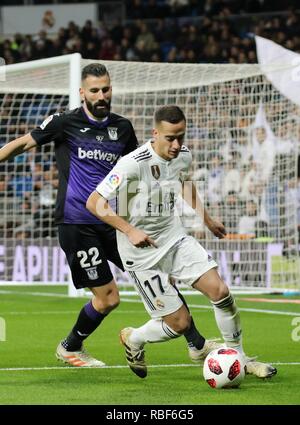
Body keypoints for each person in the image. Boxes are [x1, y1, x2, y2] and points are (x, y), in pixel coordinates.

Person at [0, 65, 219, 367]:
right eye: (94, 90)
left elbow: (141, 169)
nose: (101, 95)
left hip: (114, 223)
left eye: (105, 89)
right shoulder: (65, 123)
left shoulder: (123, 127)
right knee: (108, 299)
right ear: (82, 93)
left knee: (157, 274)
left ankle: (197, 344)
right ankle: (70, 347)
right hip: (77, 223)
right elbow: (23, 144)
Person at [86, 105, 277, 379]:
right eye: (170, 138)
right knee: (179, 323)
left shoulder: (183, 156)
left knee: (220, 291)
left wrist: (207, 219)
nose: (176, 145)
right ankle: (135, 339)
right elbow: (94, 202)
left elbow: (185, 184)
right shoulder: (133, 163)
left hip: (174, 237)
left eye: (181, 137)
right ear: (155, 134)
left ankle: (239, 358)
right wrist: (129, 230)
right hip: (141, 253)